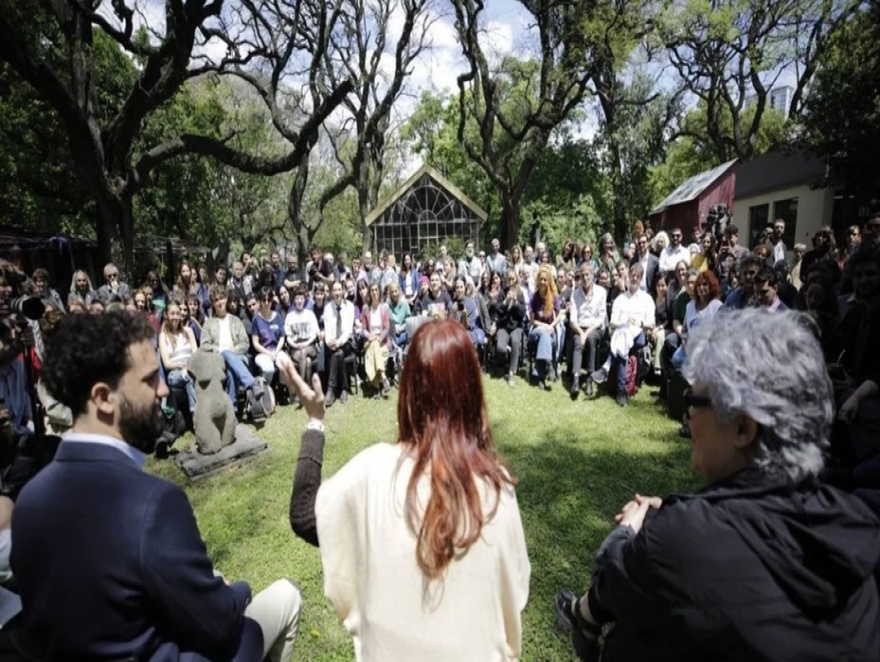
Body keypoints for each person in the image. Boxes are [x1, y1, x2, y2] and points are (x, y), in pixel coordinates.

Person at [556, 309, 880, 662]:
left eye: (693, 402)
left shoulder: (681, 538)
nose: (686, 416)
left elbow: (616, 578)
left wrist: (630, 531)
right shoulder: (854, 525)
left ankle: (581, 617)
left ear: (743, 429)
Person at [12, 312, 302, 661]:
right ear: (104, 398)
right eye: (150, 380)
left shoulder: (28, 503)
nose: (164, 389)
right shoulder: (152, 504)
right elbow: (220, 624)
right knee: (287, 596)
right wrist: (238, 591)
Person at [287, 320, 530, 661]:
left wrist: (315, 422)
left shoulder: (372, 472)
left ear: (409, 390)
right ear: (473, 392)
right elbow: (515, 594)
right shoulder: (496, 490)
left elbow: (303, 513)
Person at [592, 263, 655, 407]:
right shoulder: (620, 299)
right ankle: (621, 392)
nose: (634, 279)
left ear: (641, 279)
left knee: (624, 336)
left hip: (639, 336)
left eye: (637, 277)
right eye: (632, 276)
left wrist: (638, 323)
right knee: (623, 341)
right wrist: (623, 321)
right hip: (622, 334)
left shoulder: (647, 299)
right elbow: (612, 323)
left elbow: (651, 324)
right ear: (627, 277)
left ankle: (606, 367)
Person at [201, 284, 265, 407]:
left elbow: (245, 342)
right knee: (225, 352)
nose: (219, 302)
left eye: (221, 298)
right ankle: (252, 383)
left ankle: (233, 410)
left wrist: (234, 350)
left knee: (231, 371)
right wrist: (220, 349)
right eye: (216, 300)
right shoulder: (208, 324)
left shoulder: (236, 320)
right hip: (218, 359)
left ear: (226, 298)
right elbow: (204, 345)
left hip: (238, 356)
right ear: (212, 303)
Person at [568, 264, 607, 398]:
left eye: (587, 275)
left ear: (592, 275)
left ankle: (590, 378)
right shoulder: (575, 294)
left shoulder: (601, 292)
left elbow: (601, 318)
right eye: (583, 275)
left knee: (590, 339)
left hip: (595, 327)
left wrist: (587, 332)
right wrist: (581, 332)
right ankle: (576, 380)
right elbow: (573, 320)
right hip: (579, 327)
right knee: (578, 343)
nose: (585, 278)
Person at [528, 264, 564, 391]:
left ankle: (540, 378)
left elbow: (559, 316)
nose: (543, 282)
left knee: (547, 338)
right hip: (536, 330)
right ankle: (549, 363)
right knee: (543, 334)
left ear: (549, 281)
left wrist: (552, 326)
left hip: (550, 331)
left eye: (545, 279)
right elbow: (532, 321)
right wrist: (546, 326)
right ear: (538, 280)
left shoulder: (554, 296)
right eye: (541, 279)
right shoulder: (534, 297)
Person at [158, 301, 198, 414]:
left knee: (190, 380)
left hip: (191, 369)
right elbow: (167, 364)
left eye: (177, 313)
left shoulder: (188, 331)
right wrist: (182, 366)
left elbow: (196, 353)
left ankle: (194, 414)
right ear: (166, 315)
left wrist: (189, 366)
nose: (175, 317)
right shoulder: (163, 336)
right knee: (189, 376)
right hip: (174, 373)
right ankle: (197, 417)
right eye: (172, 314)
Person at [251, 286, 294, 390]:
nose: (266, 303)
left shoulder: (277, 316)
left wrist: (276, 352)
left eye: (269, 300)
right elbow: (255, 343)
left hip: (277, 350)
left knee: (286, 364)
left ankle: (289, 392)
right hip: (262, 352)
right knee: (268, 369)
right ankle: (265, 392)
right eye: (264, 300)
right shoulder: (256, 319)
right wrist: (268, 353)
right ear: (260, 301)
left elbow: (282, 337)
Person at [322, 281, 355, 407]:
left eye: (339, 290)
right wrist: (330, 341)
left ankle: (331, 389)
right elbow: (327, 328)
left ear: (343, 291)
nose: (337, 293)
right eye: (335, 290)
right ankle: (344, 388)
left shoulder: (350, 306)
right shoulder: (328, 308)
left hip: (346, 342)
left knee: (340, 351)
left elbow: (348, 330)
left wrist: (339, 342)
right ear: (331, 292)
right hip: (332, 344)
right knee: (338, 353)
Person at [284, 284, 320, 390]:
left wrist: (306, 343)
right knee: (307, 362)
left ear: (304, 300)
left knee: (304, 352)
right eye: (297, 298)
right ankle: (308, 387)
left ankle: (301, 387)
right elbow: (288, 336)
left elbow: (314, 333)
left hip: (310, 345)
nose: (299, 301)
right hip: (295, 348)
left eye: (301, 298)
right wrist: (295, 344)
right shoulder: (290, 316)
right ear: (294, 300)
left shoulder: (310, 314)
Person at [360, 281, 391, 397]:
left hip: (382, 342)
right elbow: (363, 329)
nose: (374, 292)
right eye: (372, 290)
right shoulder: (365, 309)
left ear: (379, 291)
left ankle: (376, 387)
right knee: (373, 345)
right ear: (369, 293)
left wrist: (380, 337)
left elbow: (387, 327)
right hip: (370, 340)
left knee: (375, 347)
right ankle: (383, 377)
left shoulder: (384, 308)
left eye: (376, 290)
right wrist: (370, 336)